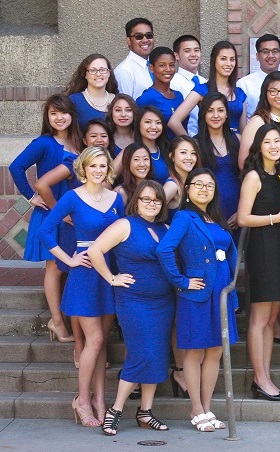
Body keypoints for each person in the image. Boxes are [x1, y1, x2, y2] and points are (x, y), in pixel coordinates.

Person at [40, 147, 124, 427]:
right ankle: (82, 400)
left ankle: (100, 400)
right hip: (85, 274)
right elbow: (44, 231)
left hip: (110, 272)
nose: (98, 170)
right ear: (83, 169)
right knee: (95, 339)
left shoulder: (116, 199)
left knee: (102, 341)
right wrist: (68, 260)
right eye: (93, 166)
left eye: (102, 165)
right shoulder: (72, 197)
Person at [156, 168, 239, 432]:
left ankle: (207, 407)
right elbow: (164, 249)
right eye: (199, 184)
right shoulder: (184, 217)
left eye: (209, 185)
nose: (204, 189)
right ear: (188, 189)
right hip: (197, 293)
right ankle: (196, 408)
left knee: (215, 351)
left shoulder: (217, 218)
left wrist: (232, 292)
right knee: (194, 351)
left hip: (221, 292)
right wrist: (181, 280)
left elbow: (230, 256)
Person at [87, 180, 172, 435]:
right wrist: (112, 278)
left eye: (156, 200)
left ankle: (145, 412)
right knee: (141, 355)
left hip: (164, 303)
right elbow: (95, 250)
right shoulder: (125, 225)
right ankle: (115, 410)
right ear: (136, 201)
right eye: (146, 199)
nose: (151, 204)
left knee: (157, 355)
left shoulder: (166, 228)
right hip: (134, 302)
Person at [10, 94, 82, 345]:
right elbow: (16, 167)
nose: (59, 118)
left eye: (63, 112)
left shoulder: (78, 142)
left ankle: (66, 317)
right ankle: (57, 322)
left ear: (72, 115)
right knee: (54, 267)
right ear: (47, 117)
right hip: (53, 213)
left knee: (67, 266)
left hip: (73, 215)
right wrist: (31, 196)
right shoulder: (44, 142)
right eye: (53, 113)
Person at [238, 123, 280, 401]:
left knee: (272, 318)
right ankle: (259, 379)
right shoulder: (254, 176)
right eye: (267, 142)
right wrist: (277, 218)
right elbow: (243, 218)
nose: (273, 146)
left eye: (277, 141)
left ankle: (266, 376)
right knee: (260, 318)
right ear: (258, 147)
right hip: (262, 247)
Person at [169, 41, 248, 136]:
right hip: (208, 143)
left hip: (235, 143)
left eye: (232, 59)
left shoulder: (239, 93)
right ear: (214, 61)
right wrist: (190, 143)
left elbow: (244, 131)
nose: (228, 63)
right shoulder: (202, 90)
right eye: (223, 59)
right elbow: (174, 122)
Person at [196, 92, 242, 226]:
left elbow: (247, 176)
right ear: (203, 114)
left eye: (220, 110)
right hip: (209, 215)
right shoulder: (196, 144)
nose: (216, 115)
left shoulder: (238, 139)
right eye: (210, 111)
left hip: (239, 212)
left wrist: (241, 212)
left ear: (227, 114)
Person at [239, 71, 280, 169]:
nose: (279, 95)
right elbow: (243, 164)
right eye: (273, 91)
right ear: (265, 93)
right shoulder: (257, 122)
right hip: (268, 178)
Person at [135, 47, 185, 140]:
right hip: (161, 148)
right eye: (162, 65)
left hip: (181, 147)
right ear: (151, 68)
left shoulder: (179, 96)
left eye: (172, 65)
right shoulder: (147, 98)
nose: (168, 69)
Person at [66, 54, 119, 130]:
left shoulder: (118, 100)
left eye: (102, 70)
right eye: (93, 70)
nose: (98, 74)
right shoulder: (74, 100)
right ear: (85, 74)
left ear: (109, 73)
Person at [238, 34, 280, 120]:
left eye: (275, 51)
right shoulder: (244, 84)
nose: (271, 56)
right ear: (257, 56)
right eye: (265, 51)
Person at [170, 35, 206, 136]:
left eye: (196, 50)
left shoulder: (205, 82)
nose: (193, 54)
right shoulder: (173, 83)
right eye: (187, 51)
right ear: (176, 56)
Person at [162, 136, 201, 221]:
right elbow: (151, 211)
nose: (189, 157)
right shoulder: (172, 185)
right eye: (183, 152)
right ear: (172, 156)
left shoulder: (192, 182)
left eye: (193, 153)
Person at [114, 18, 154, 99]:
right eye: (139, 36)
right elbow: (125, 105)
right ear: (128, 40)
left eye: (149, 35)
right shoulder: (124, 71)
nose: (145, 40)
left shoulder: (156, 65)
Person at [134, 106, 171, 185]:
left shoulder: (168, 150)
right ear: (138, 124)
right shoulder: (132, 150)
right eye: (148, 122)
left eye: (158, 123)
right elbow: (110, 176)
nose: (154, 127)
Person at [107, 94, 138, 159]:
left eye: (128, 110)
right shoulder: (105, 138)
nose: (123, 114)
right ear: (111, 112)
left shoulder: (142, 137)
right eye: (118, 110)